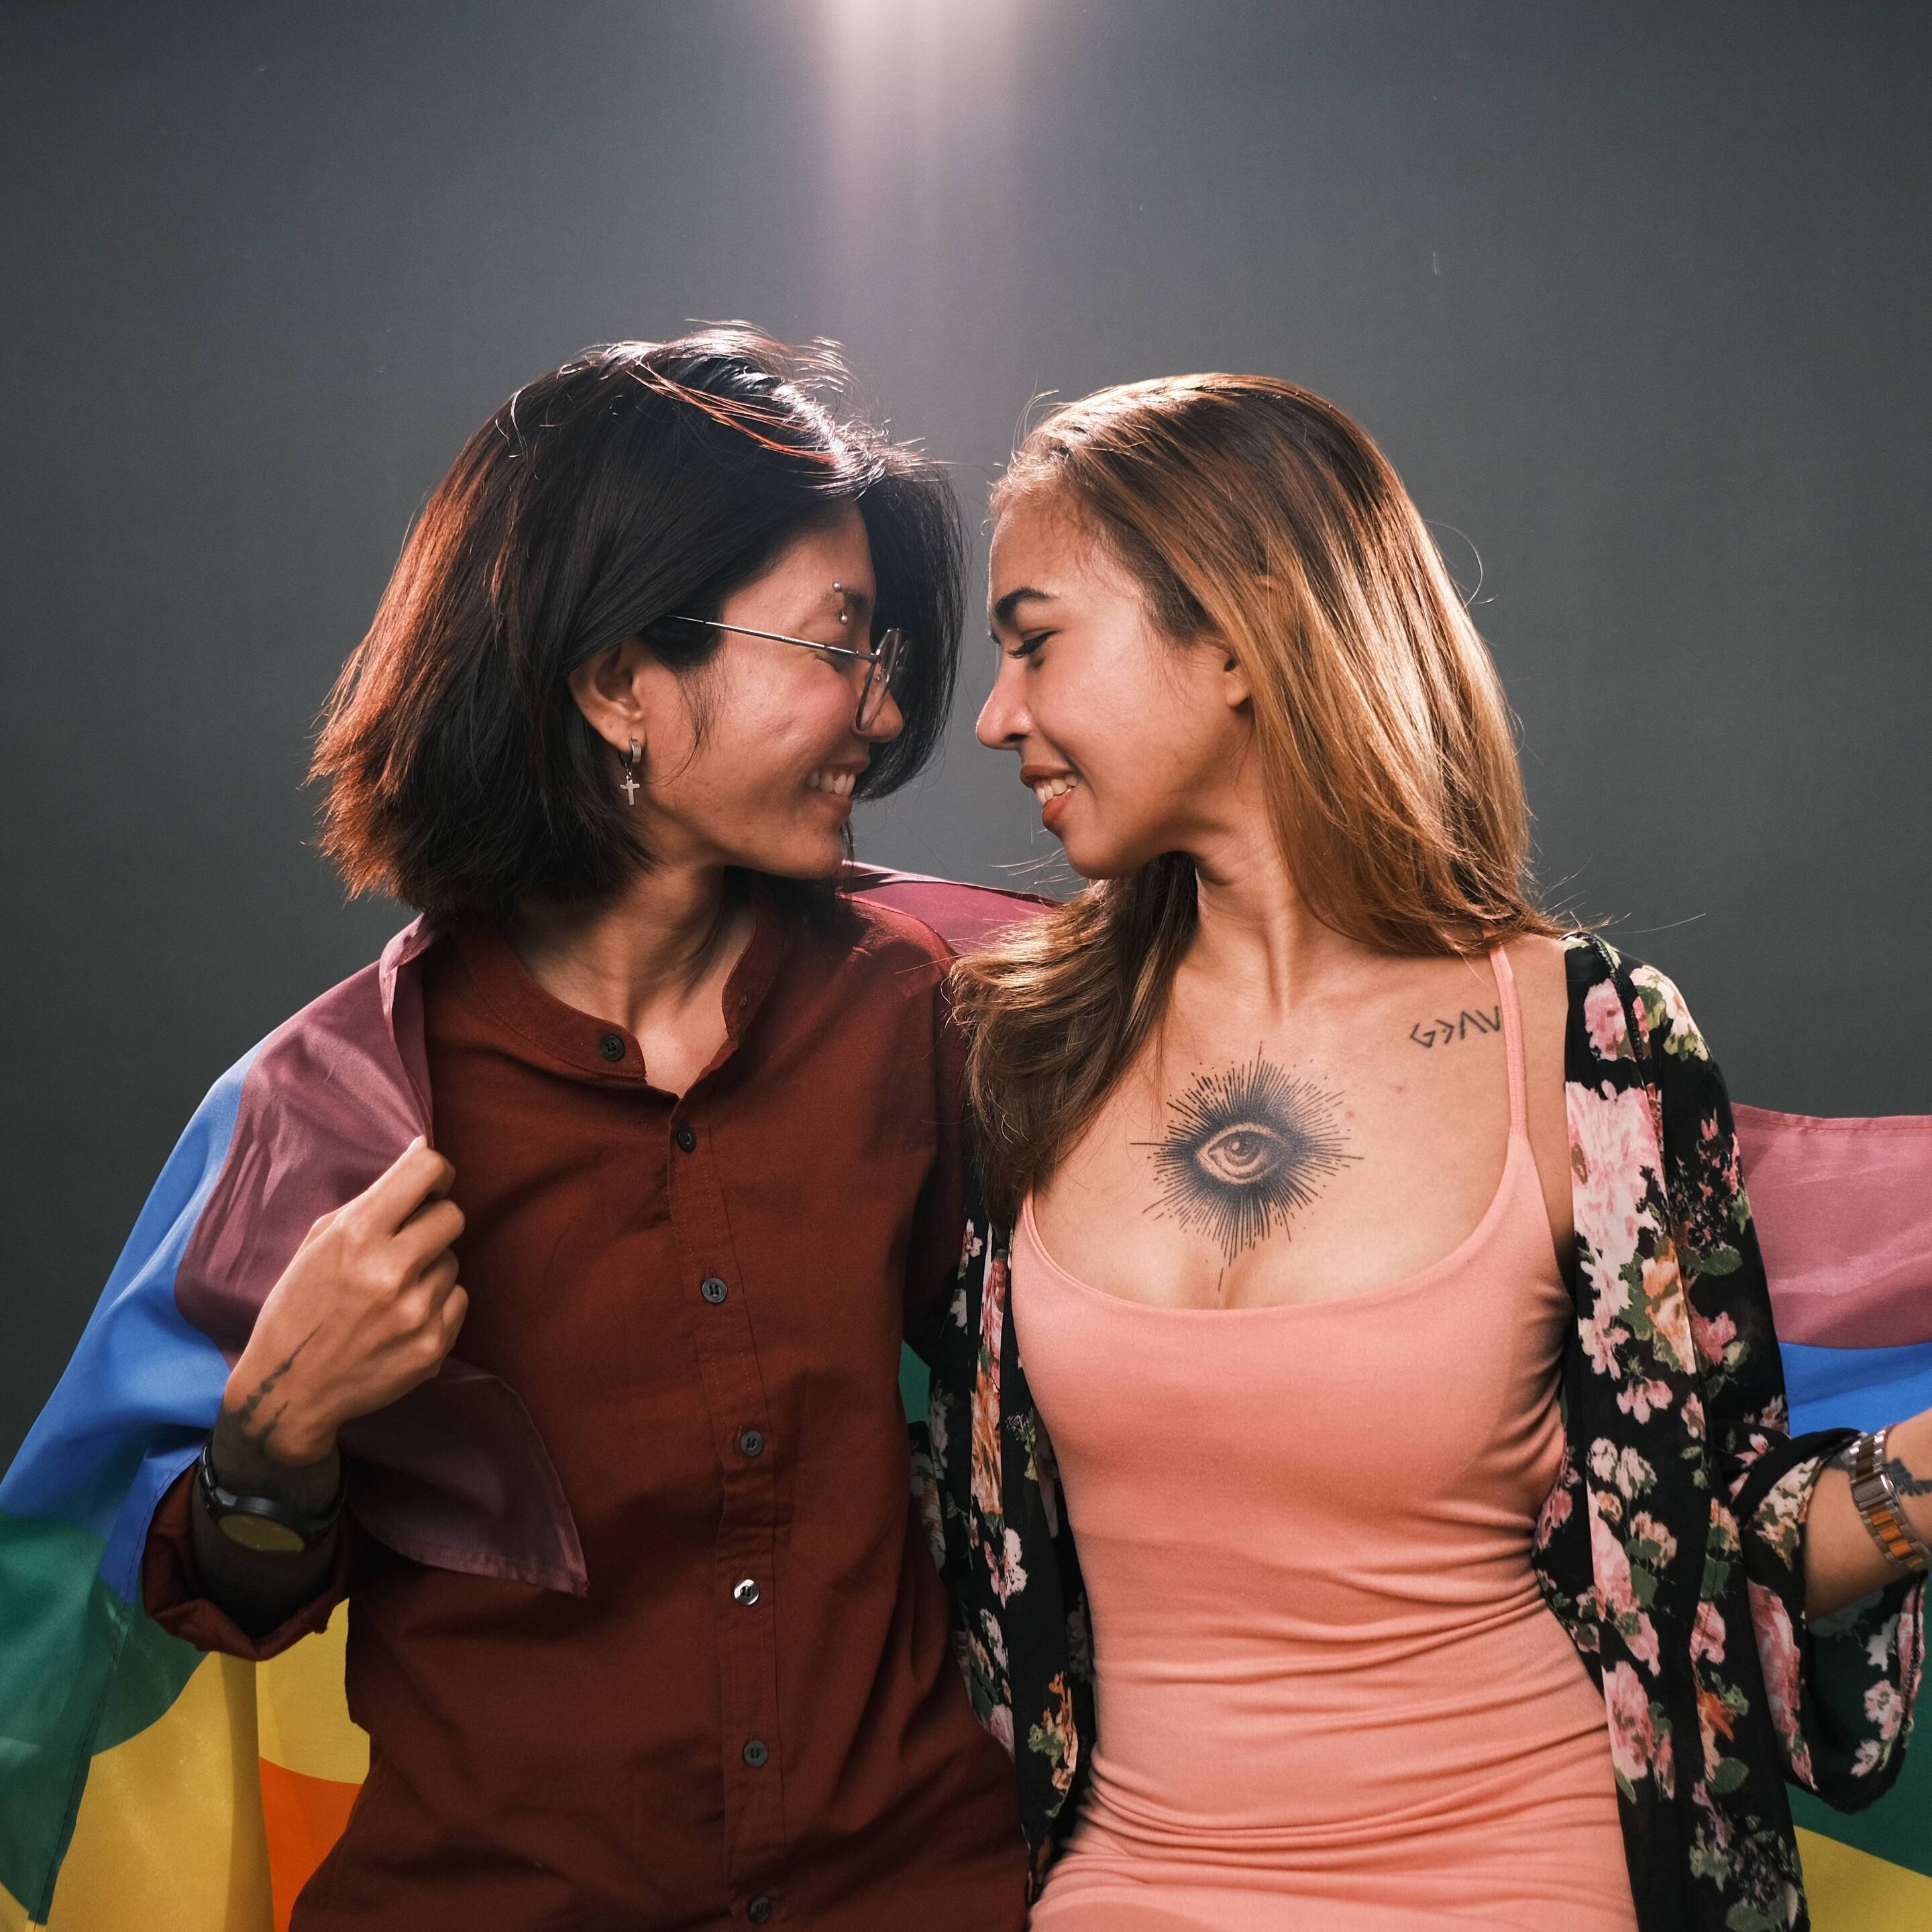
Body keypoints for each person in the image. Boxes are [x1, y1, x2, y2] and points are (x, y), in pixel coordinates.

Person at [3, 330, 1028, 1930]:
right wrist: (273, 1449)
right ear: (617, 682)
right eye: (837, 646)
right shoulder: (330, 1114)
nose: (884, 713)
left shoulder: (929, 1012)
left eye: (882, 650)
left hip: (914, 1891)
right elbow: (217, 1608)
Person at [932, 374, 1927, 1930]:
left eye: (1036, 639)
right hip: (1132, 1881)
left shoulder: (1587, 1042)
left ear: (1240, 634)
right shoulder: (1016, 1046)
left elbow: (1732, 1536)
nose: (996, 714)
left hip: (1523, 1873)